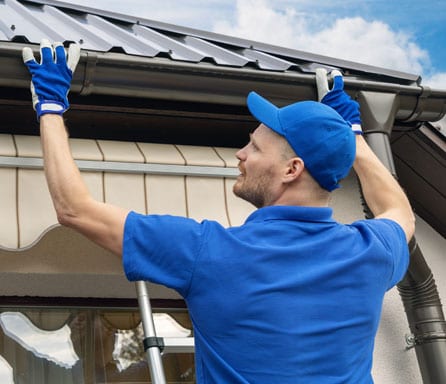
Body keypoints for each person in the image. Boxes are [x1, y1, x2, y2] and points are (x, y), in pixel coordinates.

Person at [22, 40, 415, 384]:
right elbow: (399, 211)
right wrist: (353, 136)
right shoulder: (371, 252)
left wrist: (51, 106)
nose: (240, 155)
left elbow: (75, 209)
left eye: (255, 148)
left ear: (292, 170)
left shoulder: (210, 253)